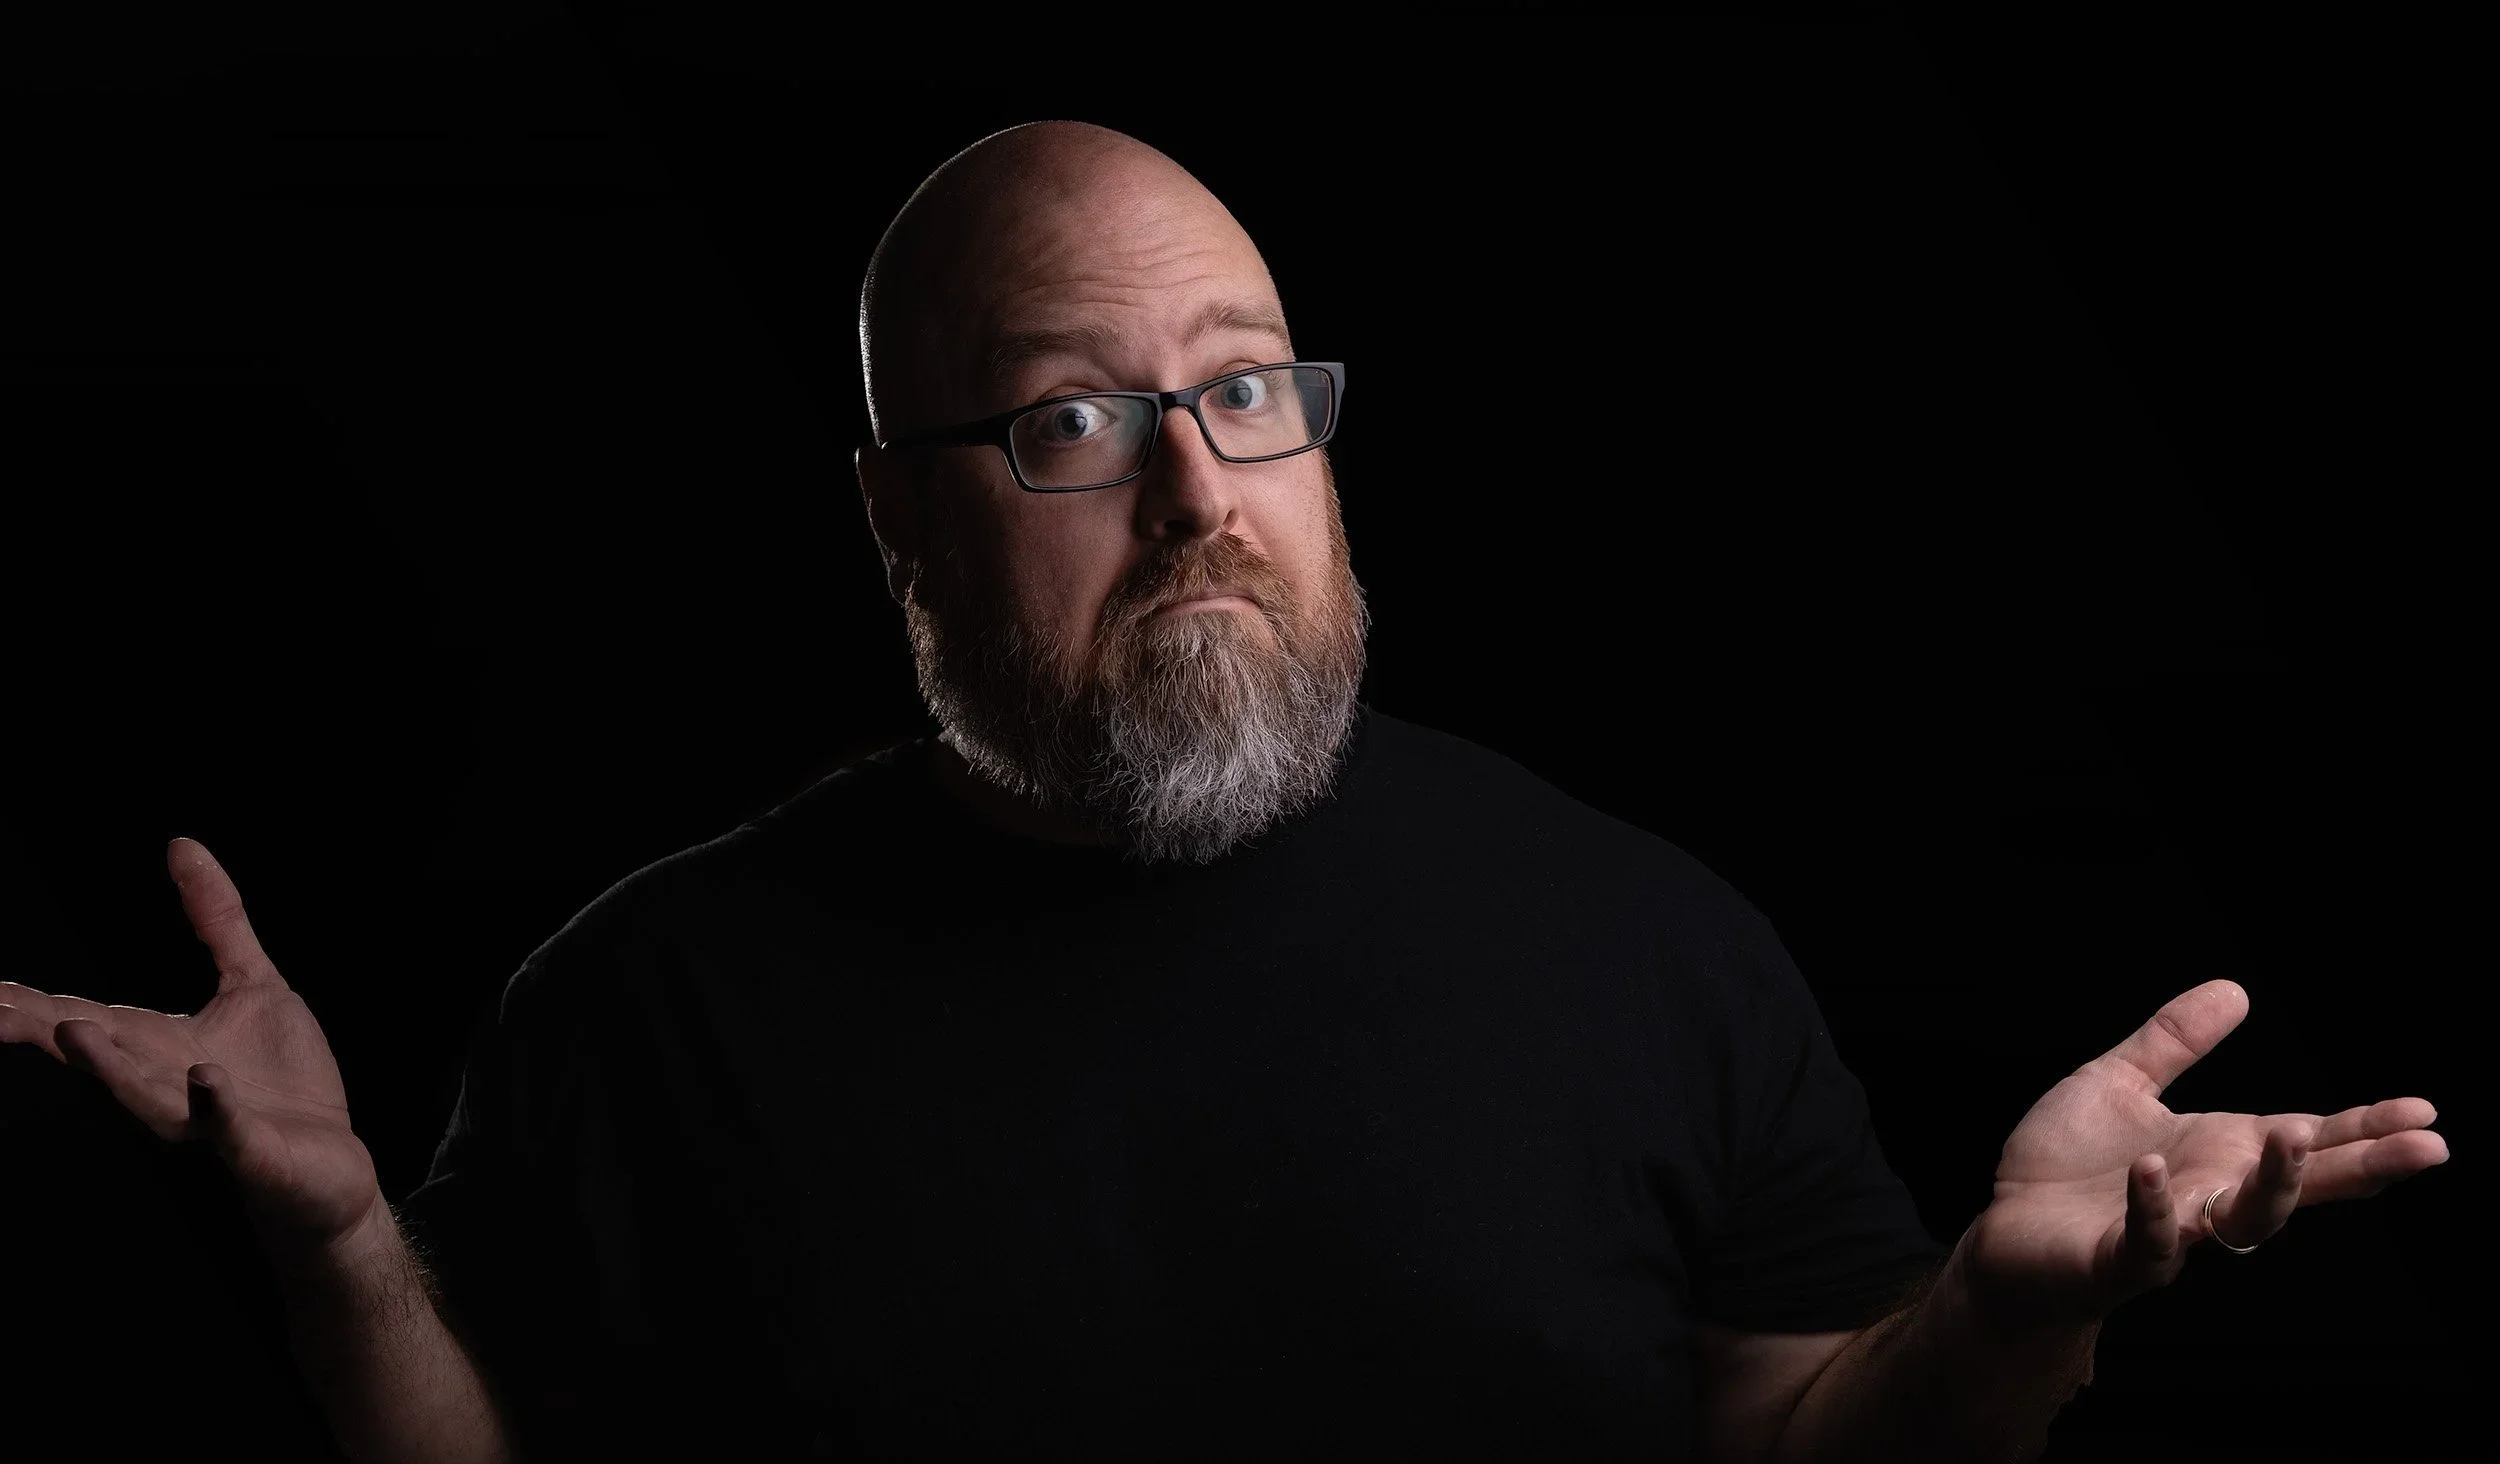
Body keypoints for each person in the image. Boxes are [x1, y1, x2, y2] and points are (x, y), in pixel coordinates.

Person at [0, 121, 2448, 1463]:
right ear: (896, 515)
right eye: (1074, 419)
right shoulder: (646, 997)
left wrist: (1998, 1320)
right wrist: (332, 1247)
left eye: (1248, 390)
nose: (1197, 498)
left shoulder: (1638, 942)